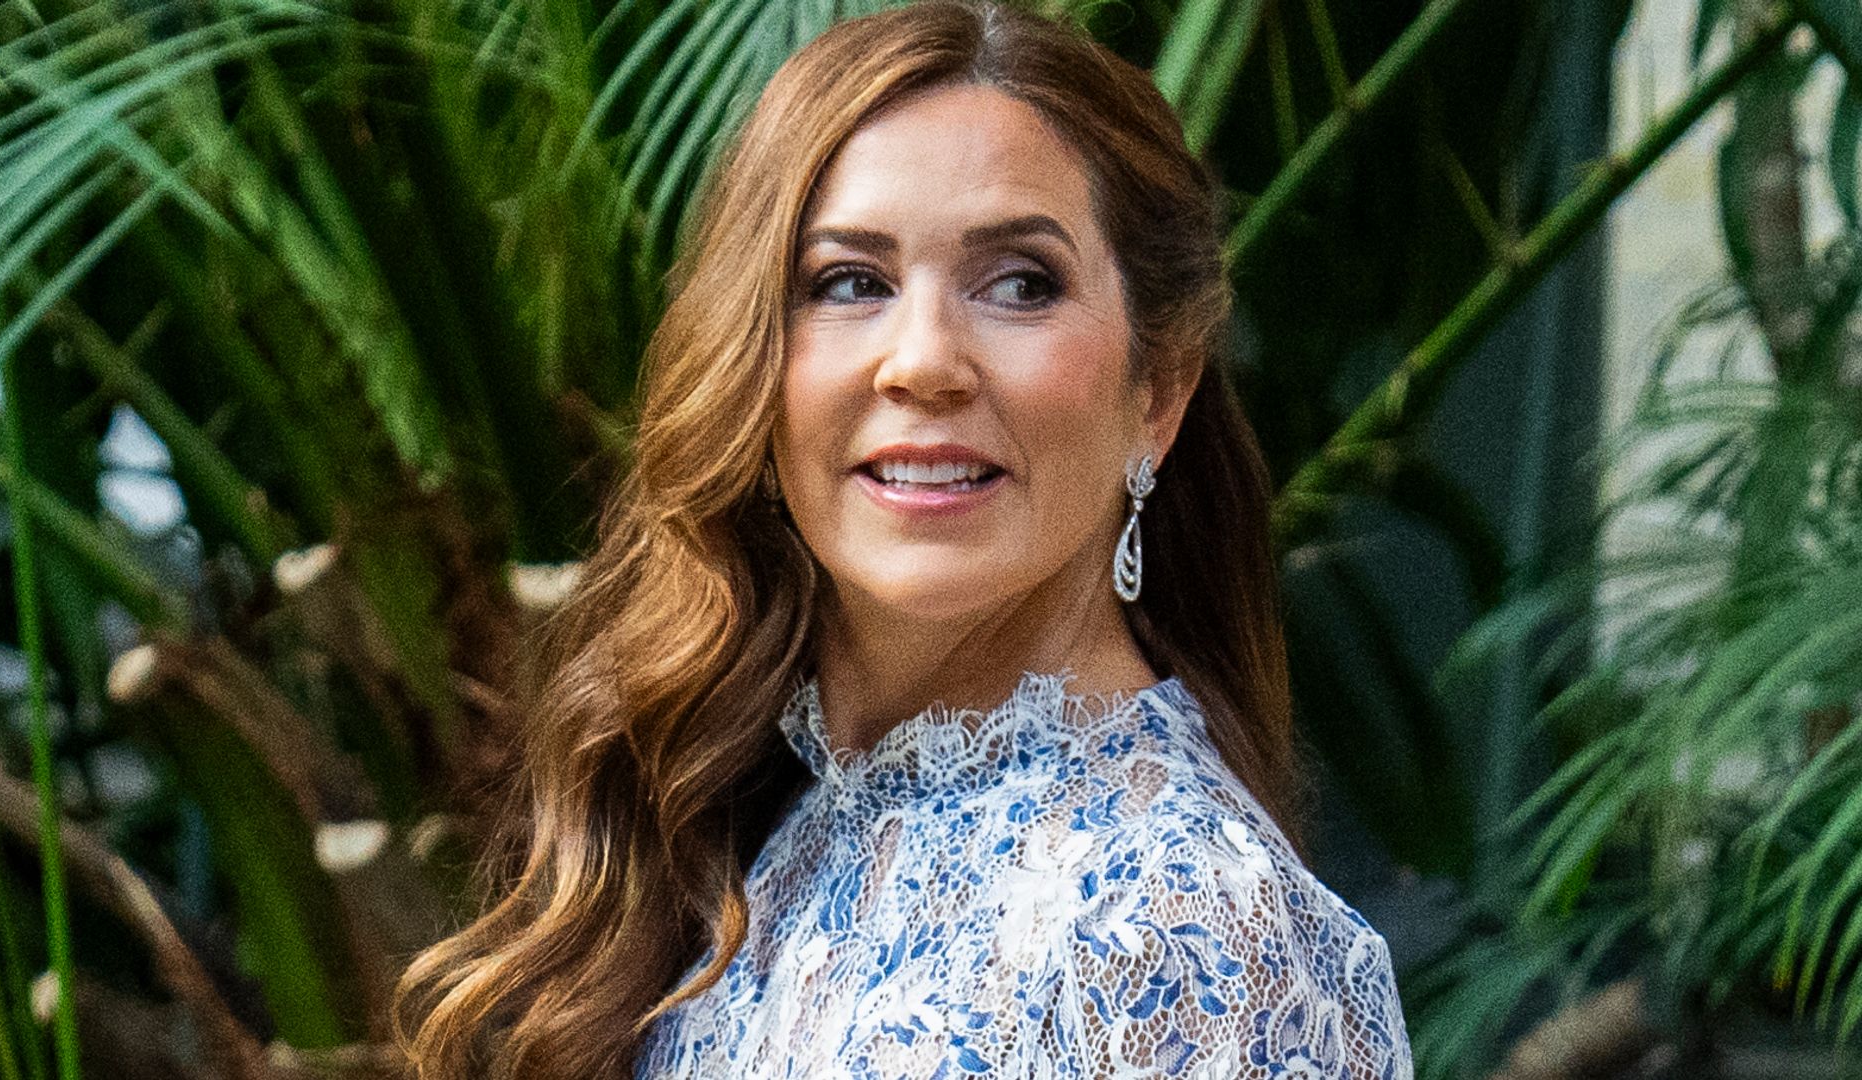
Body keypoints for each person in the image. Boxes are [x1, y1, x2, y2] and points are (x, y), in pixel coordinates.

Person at [391, 1, 1413, 1077]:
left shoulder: (1195, 931)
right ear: (754, 367)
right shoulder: (758, 837)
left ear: (1157, 391)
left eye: (1021, 283)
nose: (921, 361)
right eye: (849, 283)